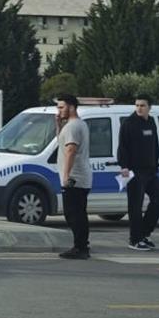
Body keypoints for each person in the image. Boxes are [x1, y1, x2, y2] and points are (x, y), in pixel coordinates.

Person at [118, 94, 159, 251]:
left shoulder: (151, 122)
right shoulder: (129, 124)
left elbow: (155, 145)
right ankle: (135, 239)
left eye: (142, 105)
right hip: (135, 171)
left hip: (151, 171)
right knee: (135, 206)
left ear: (149, 107)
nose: (139, 108)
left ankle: (144, 233)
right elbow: (122, 146)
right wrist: (124, 166)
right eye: (137, 105)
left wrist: (156, 163)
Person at [56, 93, 91, 259]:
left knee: (73, 214)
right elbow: (62, 144)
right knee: (79, 213)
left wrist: (66, 175)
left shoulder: (72, 127)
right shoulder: (77, 125)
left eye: (61, 107)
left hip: (74, 178)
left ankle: (80, 247)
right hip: (80, 177)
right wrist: (58, 125)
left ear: (71, 107)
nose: (59, 110)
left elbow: (70, 150)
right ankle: (82, 245)